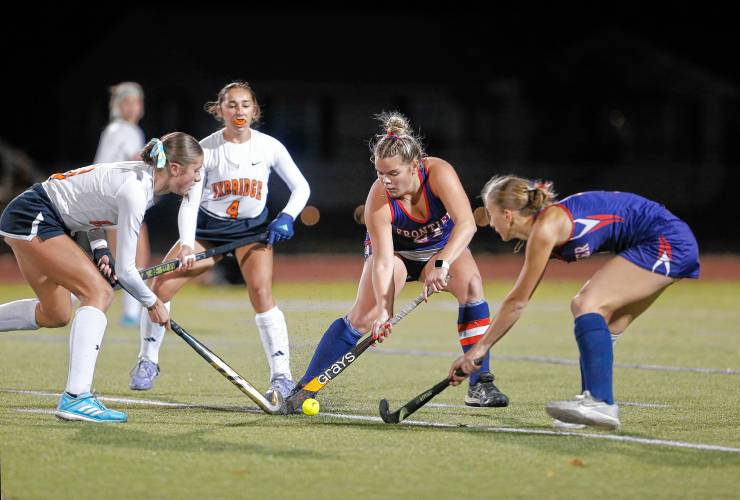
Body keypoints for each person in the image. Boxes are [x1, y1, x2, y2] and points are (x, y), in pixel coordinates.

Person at [287, 111, 509, 410]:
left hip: (439, 249)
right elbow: (382, 260)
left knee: (471, 286)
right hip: (396, 255)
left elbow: (467, 223)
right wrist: (382, 309)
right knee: (364, 317)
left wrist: (442, 262)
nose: (385, 181)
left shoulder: (439, 173)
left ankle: (480, 383)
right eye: (380, 173)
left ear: (415, 166)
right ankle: (307, 386)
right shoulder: (378, 198)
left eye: (393, 174)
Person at [450, 175, 700, 430]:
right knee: (609, 323)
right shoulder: (545, 225)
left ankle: (600, 402)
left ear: (508, 214)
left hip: (667, 241)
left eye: (491, 215)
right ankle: (591, 405)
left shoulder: (546, 227)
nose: (490, 223)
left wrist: (478, 350)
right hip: (659, 240)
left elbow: (517, 302)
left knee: (585, 304)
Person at [0, 132, 203, 423]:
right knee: (99, 293)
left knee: (55, 313)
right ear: (175, 169)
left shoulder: (140, 181)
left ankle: (75, 397)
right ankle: (76, 397)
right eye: (195, 171)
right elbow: (126, 271)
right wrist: (152, 302)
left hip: (36, 215)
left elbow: (88, 208)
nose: (197, 179)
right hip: (36, 216)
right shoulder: (136, 190)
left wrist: (101, 249)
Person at [129, 81, 310, 399]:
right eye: (231, 105)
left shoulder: (270, 147)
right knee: (162, 285)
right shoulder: (206, 150)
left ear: (254, 110)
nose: (238, 111)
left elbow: (301, 188)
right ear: (219, 110)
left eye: (244, 105)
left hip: (253, 231)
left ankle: (282, 376)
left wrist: (287, 217)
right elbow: (189, 200)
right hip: (210, 231)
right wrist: (186, 243)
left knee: (261, 292)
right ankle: (147, 361)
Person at [94, 82, 150, 328]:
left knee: (125, 257)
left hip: (116, 198)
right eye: (126, 102)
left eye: (136, 102)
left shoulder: (118, 129)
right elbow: (135, 158)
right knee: (126, 258)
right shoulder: (123, 130)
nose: (131, 107)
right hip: (116, 198)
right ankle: (130, 313)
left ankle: (131, 312)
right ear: (117, 106)